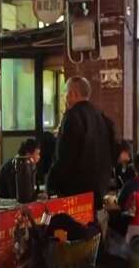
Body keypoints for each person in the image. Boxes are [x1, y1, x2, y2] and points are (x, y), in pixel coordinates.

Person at [46, 76, 114, 210]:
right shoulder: (101, 116)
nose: (65, 97)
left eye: (66, 93)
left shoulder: (73, 116)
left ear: (73, 93)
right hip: (99, 188)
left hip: (75, 190)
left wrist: (51, 184)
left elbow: (65, 155)